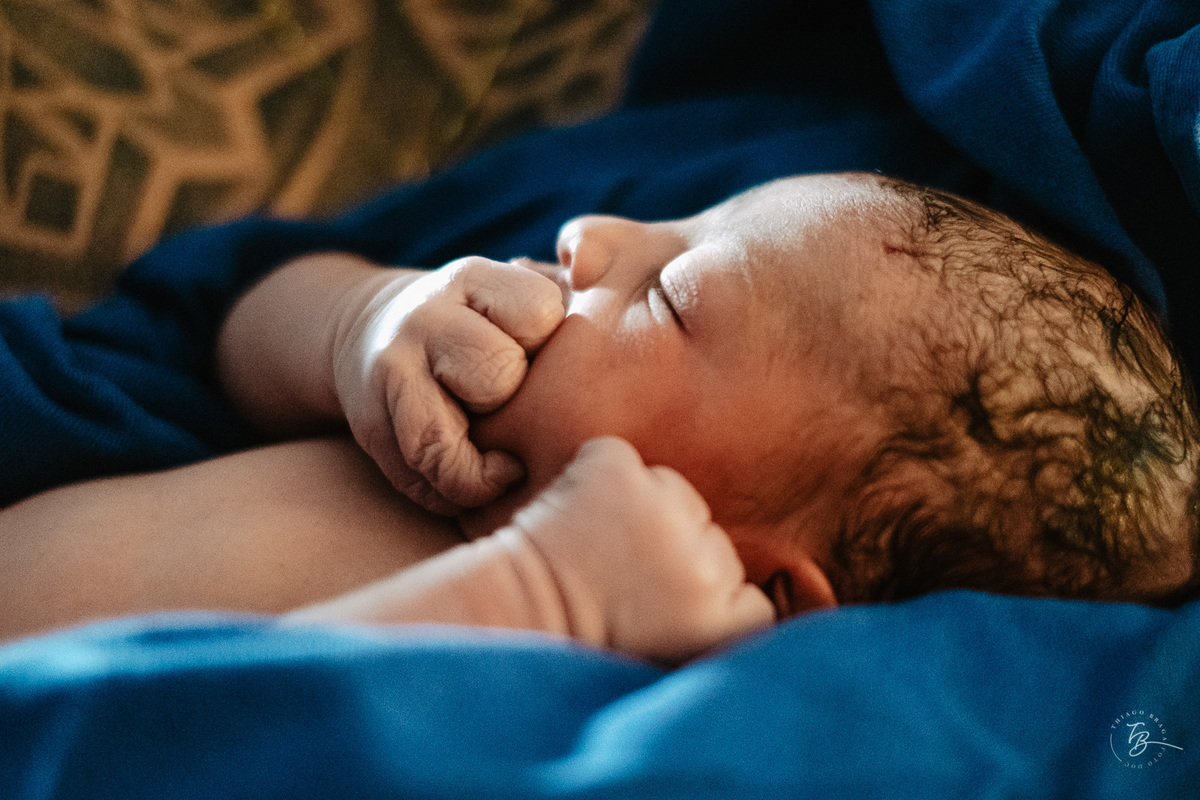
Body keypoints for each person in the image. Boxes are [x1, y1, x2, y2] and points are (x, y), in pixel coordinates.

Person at [1, 173, 1197, 663]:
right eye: (685, 217)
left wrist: (539, 600)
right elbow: (226, 331)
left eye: (673, 291)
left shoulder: (581, 677)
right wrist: (361, 322)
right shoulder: (458, 373)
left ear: (761, 588)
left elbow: (241, 734)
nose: (595, 237)